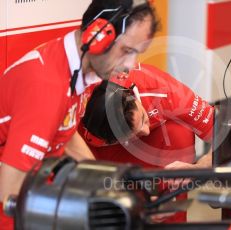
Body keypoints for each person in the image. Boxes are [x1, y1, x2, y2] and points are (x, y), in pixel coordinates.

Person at [0, 0, 158, 228]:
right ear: (97, 37)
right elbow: (10, 197)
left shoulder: (82, 68)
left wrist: (109, 184)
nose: (131, 65)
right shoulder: (46, 88)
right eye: (127, 50)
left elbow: (65, 127)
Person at [79, 63, 214, 222]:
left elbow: (222, 134)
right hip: (92, 153)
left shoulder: (162, 89)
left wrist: (199, 168)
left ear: (134, 95)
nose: (145, 130)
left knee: (178, 131)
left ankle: (170, 213)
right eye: (130, 135)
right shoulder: (70, 107)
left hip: (154, 147)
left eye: (143, 118)